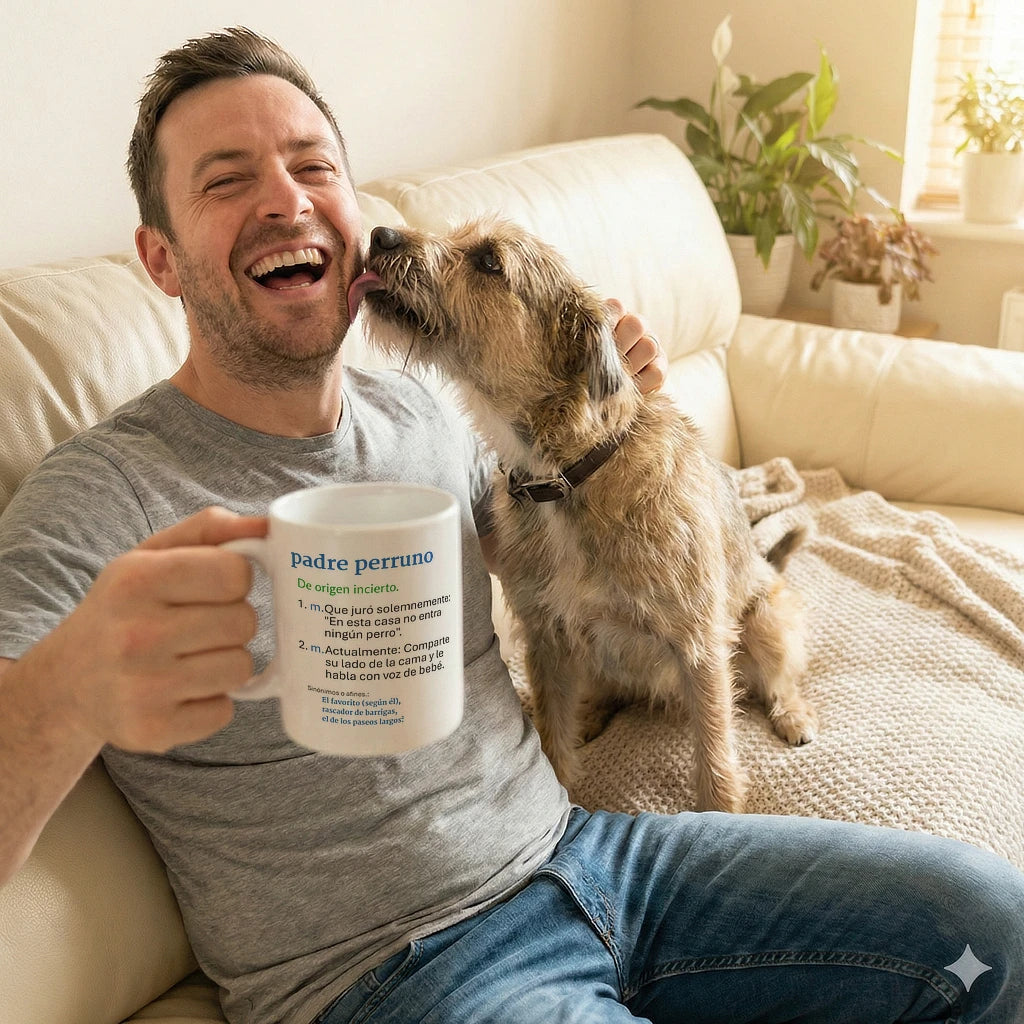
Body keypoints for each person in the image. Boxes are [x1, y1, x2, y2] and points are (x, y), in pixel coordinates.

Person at [0, 26, 1021, 1024]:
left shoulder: (423, 413)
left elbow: (557, 559)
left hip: (593, 857)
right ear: (160, 257)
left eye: (315, 166)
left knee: (990, 924)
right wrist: (70, 686)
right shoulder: (103, 491)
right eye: (225, 181)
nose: (285, 197)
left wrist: (603, 429)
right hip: (396, 966)